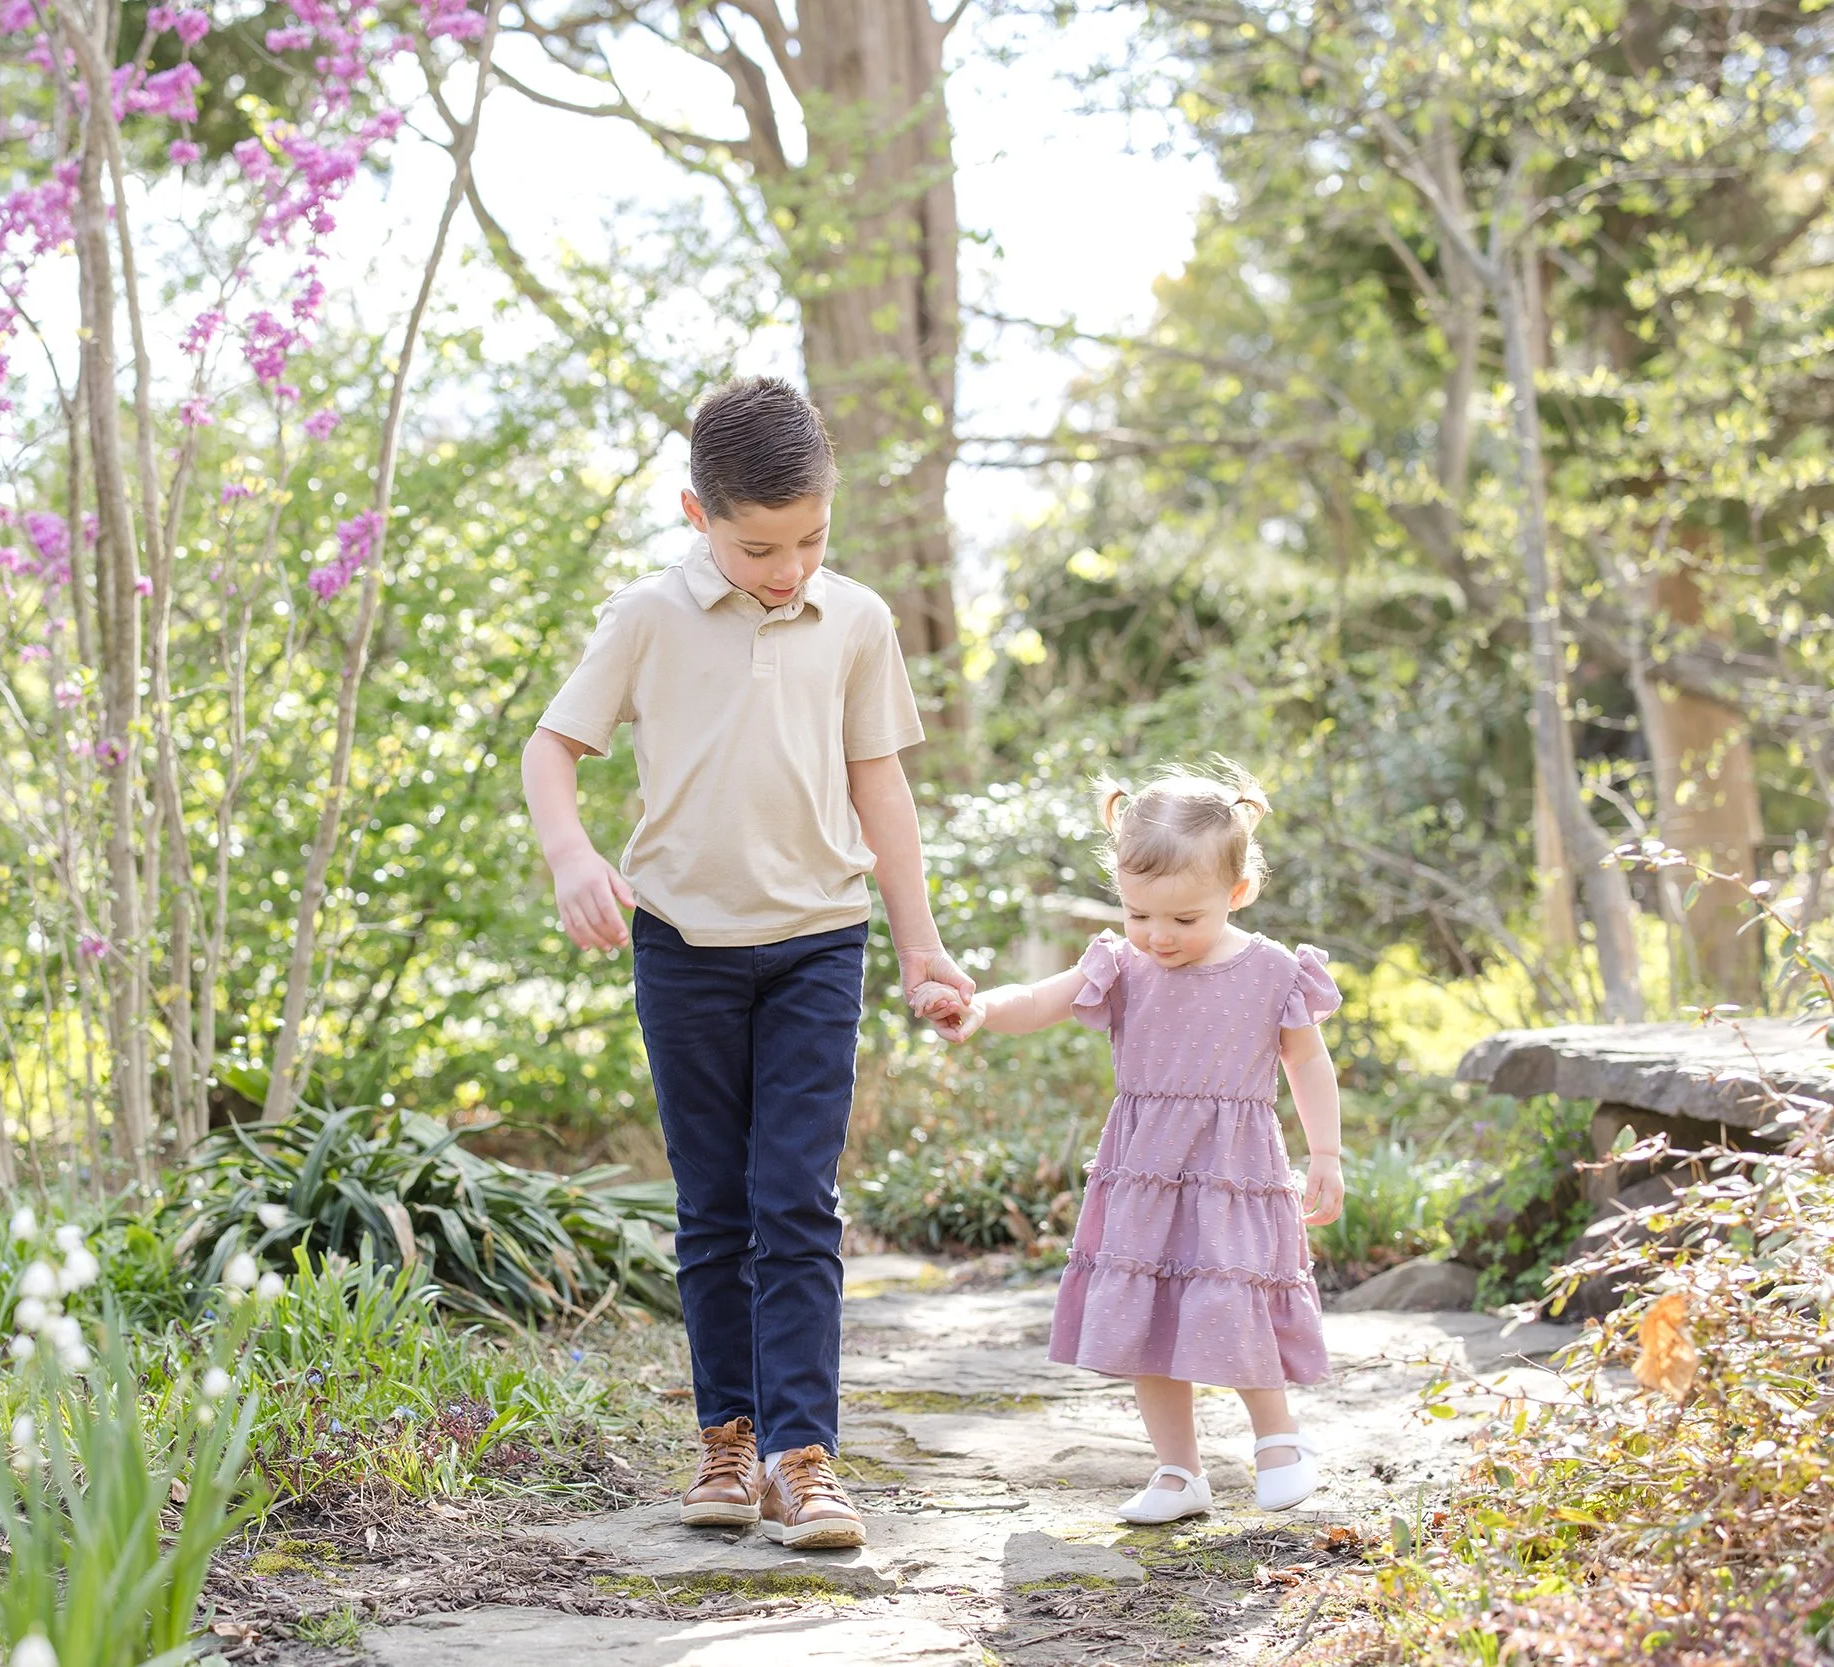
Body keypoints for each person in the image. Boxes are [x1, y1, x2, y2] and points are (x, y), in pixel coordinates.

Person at [521, 376, 974, 1551]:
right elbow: (551, 746)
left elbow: (882, 782)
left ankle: (803, 1456)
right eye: (757, 544)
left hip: (821, 939)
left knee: (797, 1202)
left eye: (811, 538)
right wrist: (573, 855)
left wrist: (921, 945)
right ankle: (727, 1437)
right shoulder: (647, 616)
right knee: (714, 1209)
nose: (787, 566)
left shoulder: (856, 619)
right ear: (695, 511)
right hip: (682, 946)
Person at [918, 763, 1344, 1523]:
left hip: (1233, 1169)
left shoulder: (1274, 969)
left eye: (1185, 919)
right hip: (1145, 1170)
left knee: (1236, 1292)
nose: (1159, 935)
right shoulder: (1122, 962)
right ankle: (1178, 1469)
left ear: (1238, 892)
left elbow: (1307, 1061)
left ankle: (1279, 1438)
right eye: (1140, 912)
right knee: (1147, 1314)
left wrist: (1328, 1155)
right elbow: (1040, 999)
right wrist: (981, 1008)